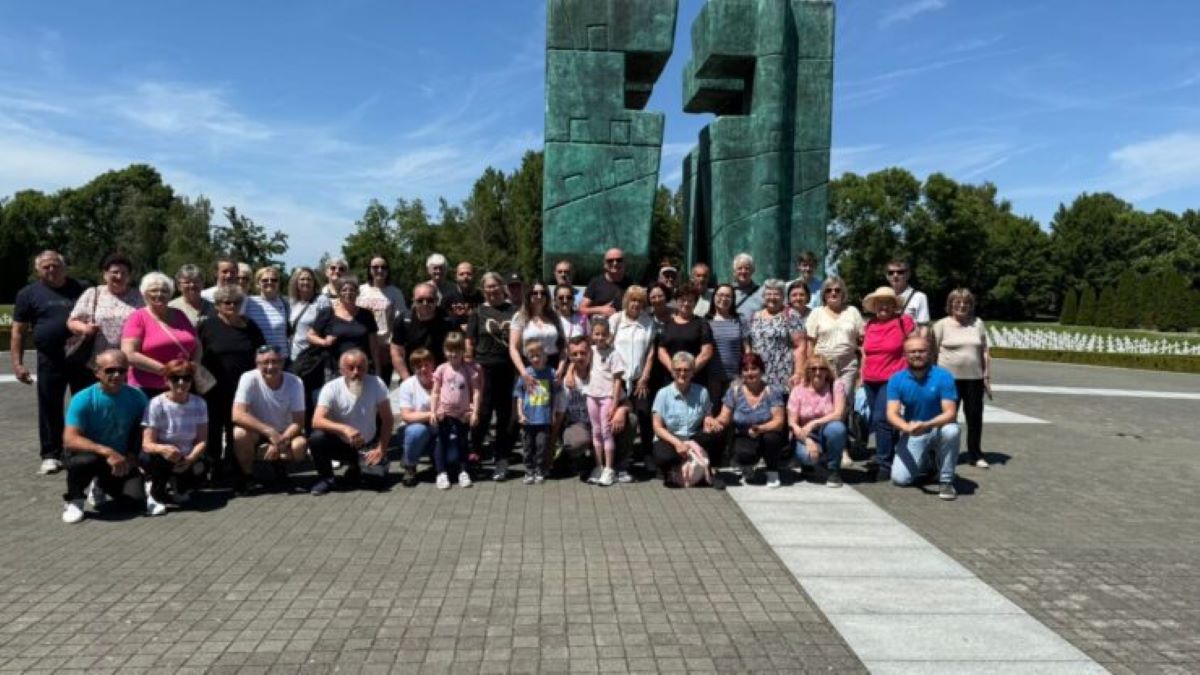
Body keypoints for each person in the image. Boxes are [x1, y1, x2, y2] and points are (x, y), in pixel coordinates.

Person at [11, 250, 91, 475]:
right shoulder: (28, 294)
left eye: (55, 265)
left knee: (84, 405)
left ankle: (82, 449)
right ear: (38, 270)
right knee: (49, 407)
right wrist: (18, 363)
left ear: (64, 266)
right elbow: (18, 332)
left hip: (83, 357)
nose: (51, 269)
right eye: (46, 266)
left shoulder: (83, 288)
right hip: (50, 359)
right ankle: (51, 454)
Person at [60, 350, 149, 523]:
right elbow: (70, 440)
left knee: (135, 502)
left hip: (121, 460)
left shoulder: (138, 397)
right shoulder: (83, 398)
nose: (117, 375)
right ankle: (75, 499)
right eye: (110, 370)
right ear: (97, 372)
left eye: (122, 370)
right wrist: (107, 452)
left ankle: (100, 485)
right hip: (92, 455)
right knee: (84, 462)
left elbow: (146, 430)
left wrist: (133, 455)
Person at [197, 284, 265, 483]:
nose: (232, 306)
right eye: (227, 302)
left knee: (235, 428)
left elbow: (261, 354)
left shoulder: (250, 326)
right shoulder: (206, 326)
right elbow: (196, 356)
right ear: (217, 305)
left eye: (236, 302)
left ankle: (234, 466)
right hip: (212, 388)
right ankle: (212, 467)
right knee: (213, 430)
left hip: (242, 390)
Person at [309, 350, 392, 495]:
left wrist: (381, 449)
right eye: (351, 367)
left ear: (367, 368)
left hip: (366, 444)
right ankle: (327, 479)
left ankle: (356, 468)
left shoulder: (377, 384)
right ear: (341, 370)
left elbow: (388, 420)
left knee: (377, 484)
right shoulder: (331, 388)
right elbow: (316, 421)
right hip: (340, 444)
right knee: (317, 438)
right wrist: (344, 429)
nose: (356, 372)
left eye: (360, 367)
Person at [887, 336, 961, 500]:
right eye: (912, 351)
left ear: (930, 353)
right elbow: (891, 412)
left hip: (939, 428)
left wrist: (926, 424)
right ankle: (931, 462)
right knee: (900, 479)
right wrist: (906, 428)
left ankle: (946, 480)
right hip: (914, 431)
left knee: (952, 431)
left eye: (921, 351)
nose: (917, 354)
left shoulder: (944, 376)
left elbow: (950, 413)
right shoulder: (896, 379)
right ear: (905, 355)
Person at [231, 345, 308, 494]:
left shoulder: (295, 382)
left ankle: (281, 468)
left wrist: (280, 440)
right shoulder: (248, 378)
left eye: (275, 361)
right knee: (239, 433)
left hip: (285, 432)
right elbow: (237, 414)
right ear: (257, 364)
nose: (270, 366)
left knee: (300, 446)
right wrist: (269, 432)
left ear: (282, 363)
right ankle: (248, 476)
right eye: (264, 362)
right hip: (258, 432)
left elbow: (299, 421)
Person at [861, 286, 917, 481]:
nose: (883, 306)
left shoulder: (904, 322)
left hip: (893, 378)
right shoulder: (870, 325)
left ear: (894, 305)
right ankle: (889, 455)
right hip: (870, 379)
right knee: (882, 421)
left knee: (881, 418)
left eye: (887, 303)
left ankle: (884, 464)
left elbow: (915, 347)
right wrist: (861, 376)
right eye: (879, 303)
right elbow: (865, 353)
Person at [555, 336, 632, 477]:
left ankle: (620, 466)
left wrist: (621, 410)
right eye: (575, 354)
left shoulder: (602, 376)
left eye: (583, 353)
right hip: (580, 424)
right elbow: (559, 413)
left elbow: (627, 402)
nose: (579, 357)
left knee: (630, 419)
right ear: (569, 357)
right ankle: (585, 461)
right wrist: (552, 441)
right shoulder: (567, 381)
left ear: (590, 353)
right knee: (576, 441)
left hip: (603, 423)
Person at [931, 288, 992, 469]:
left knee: (974, 417)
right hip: (948, 379)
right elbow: (932, 352)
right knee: (947, 418)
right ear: (950, 304)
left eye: (966, 302)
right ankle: (941, 453)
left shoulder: (977, 323)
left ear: (971, 306)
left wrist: (987, 376)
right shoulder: (941, 325)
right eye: (957, 302)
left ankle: (975, 454)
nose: (962, 305)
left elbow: (985, 351)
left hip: (974, 378)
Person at [140, 359, 208, 514]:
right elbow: (147, 444)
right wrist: (163, 449)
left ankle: (178, 485)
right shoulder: (156, 404)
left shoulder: (200, 403)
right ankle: (153, 495)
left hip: (186, 455)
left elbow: (202, 440)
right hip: (163, 456)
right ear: (166, 380)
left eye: (186, 378)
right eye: (175, 378)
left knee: (200, 470)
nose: (181, 382)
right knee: (152, 460)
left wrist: (190, 459)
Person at [466, 272, 518, 475]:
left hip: (507, 369)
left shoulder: (514, 311)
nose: (492, 290)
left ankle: (502, 456)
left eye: (495, 286)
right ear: (483, 289)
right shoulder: (477, 313)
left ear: (502, 287)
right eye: (488, 287)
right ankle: (476, 451)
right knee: (482, 413)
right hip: (483, 369)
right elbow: (469, 342)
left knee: (506, 416)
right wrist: (470, 365)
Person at [651, 351, 724, 489]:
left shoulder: (702, 392)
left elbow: (707, 416)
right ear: (672, 372)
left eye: (686, 370)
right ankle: (677, 471)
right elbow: (657, 427)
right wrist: (677, 443)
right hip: (671, 438)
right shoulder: (663, 394)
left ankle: (708, 471)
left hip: (693, 437)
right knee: (664, 456)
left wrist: (710, 421)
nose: (682, 374)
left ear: (692, 372)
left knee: (718, 432)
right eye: (678, 370)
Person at [713, 353, 787, 488]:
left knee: (772, 438)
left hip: (767, 434)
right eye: (745, 370)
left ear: (762, 370)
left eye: (754, 368)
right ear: (741, 373)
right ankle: (747, 464)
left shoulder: (772, 391)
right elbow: (725, 417)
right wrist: (715, 422)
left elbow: (779, 421)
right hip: (744, 436)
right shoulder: (734, 391)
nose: (750, 373)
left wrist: (760, 429)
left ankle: (772, 471)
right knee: (743, 454)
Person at [121, 272, 199, 399]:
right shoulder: (137, 317)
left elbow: (197, 344)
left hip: (182, 385)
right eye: (154, 290)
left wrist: (193, 367)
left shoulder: (179, 314)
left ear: (170, 294)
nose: (159, 294)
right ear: (144, 293)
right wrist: (168, 372)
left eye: (164, 290)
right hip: (147, 388)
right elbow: (129, 354)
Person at [608, 285, 657, 479]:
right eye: (632, 300)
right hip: (618, 380)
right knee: (619, 420)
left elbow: (650, 352)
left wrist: (645, 377)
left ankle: (646, 456)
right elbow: (607, 347)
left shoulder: (648, 322)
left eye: (639, 301)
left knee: (643, 417)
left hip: (639, 379)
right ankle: (617, 460)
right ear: (626, 302)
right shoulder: (616, 320)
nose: (635, 304)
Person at [66, 252, 144, 365]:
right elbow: (72, 321)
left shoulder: (140, 296)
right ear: (105, 274)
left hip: (130, 363)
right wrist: (85, 328)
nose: (119, 276)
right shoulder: (93, 293)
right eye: (115, 272)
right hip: (96, 361)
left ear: (129, 276)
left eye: (124, 273)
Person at [576, 321, 625, 486]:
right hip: (592, 395)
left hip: (607, 398)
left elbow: (618, 380)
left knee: (606, 432)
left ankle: (609, 469)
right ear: (592, 335)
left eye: (603, 334)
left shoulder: (614, 354)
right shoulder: (591, 351)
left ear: (609, 335)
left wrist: (614, 403)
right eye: (596, 334)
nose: (600, 337)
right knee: (596, 431)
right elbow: (576, 361)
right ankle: (599, 466)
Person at [431, 333, 483, 489]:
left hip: (462, 414)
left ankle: (463, 471)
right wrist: (433, 411)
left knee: (463, 442)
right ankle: (441, 473)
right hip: (445, 414)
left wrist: (475, 412)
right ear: (444, 350)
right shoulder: (441, 369)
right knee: (441, 442)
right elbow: (435, 392)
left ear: (463, 351)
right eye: (449, 350)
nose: (453, 354)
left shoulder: (468, 370)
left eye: (457, 350)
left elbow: (476, 391)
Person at [789, 355, 849, 487]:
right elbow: (792, 422)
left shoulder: (836, 385)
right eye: (813, 368)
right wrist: (807, 441)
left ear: (827, 371)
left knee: (837, 428)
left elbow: (838, 414)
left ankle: (833, 469)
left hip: (826, 430)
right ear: (807, 371)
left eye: (822, 368)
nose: (817, 372)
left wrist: (814, 423)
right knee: (808, 458)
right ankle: (810, 464)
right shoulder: (798, 390)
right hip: (805, 434)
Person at [287, 266, 331, 429]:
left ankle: (316, 435)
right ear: (296, 282)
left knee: (316, 399)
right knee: (300, 400)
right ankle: (302, 434)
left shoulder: (321, 301)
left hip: (315, 358)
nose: (305, 282)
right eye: (302, 279)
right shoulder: (292, 302)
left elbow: (328, 326)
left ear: (314, 282)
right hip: (296, 358)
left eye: (309, 279)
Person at [806, 276, 863, 400]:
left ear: (843, 293)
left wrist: (862, 369)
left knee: (845, 400)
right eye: (829, 290)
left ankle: (842, 419)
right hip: (823, 365)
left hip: (847, 364)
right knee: (825, 401)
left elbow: (862, 342)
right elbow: (810, 344)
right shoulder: (816, 313)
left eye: (837, 290)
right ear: (823, 294)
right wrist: (810, 366)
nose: (833, 293)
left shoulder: (852, 311)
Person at [747, 279, 807, 392]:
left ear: (783, 297)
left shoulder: (791, 315)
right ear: (763, 296)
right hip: (758, 376)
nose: (772, 298)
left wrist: (798, 373)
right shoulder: (755, 316)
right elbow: (749, 345)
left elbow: (800, 347)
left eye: (776, 294)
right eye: (768, 294)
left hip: (783, 376)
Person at [656, 286, 715, 402]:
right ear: (677, 302)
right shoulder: (667, 324)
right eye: (683, 300)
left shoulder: (702, 324)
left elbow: (706, 353)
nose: (686, 303)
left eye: (690, 300)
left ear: (695, 303)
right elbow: (661, 351)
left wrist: (688, 373)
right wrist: (674, 371)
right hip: (671, 379)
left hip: (695, 380)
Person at [308, 278, 379, 374]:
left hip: (361, 368)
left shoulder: (366, 315)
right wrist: (324, 342)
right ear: (338, 293)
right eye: (344, 290)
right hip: (335, 369)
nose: (348, 293)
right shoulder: (327, 312)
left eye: (352, 290)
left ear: (357, 292)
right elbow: (310, 335)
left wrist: (378, 370)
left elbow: (374, 347)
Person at [513, 340, 558, 485]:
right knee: (527, 446)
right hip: (528, 418)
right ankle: (529, 470)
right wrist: (520, 413)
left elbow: (555, 395)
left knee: (541, 446)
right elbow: (519, 395)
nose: (536, 359)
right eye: (532, 357)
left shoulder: (551, 373)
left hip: (543, 419)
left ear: (545, 356)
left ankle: (540, 469)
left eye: (539, 356)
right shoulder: (526, 373)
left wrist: (553, 413)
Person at [359, 255, 407, 387]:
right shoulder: (360, 290)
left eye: (383, 267)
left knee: (381, 388)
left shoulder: (395, 293)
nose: (379, 270)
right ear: (369, 270)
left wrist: (392, 347)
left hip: (384, 349)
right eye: (375, 267)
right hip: (363, 347)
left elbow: (400, 322)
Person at [390, 282, 452, 379]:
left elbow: (458, 349)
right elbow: (396, 352)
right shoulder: (403, 320)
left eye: (430, 300)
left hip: (443, 377)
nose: (425, 303)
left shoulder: (448, 320)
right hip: (412, 376)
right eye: (420, 300)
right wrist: (407, 379)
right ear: (413, 300)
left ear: (437, 300)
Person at [396, 348, 438, 487]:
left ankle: (437, 460)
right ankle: (409, 466)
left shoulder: (443, 379)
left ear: (433, 364)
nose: (423, 369)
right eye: (419, 366)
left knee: (452, 459)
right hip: (412, 429)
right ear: (413, 368)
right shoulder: (407, 385)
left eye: (427, 364)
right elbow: (406, 416)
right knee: (418, 431)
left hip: (437, 428)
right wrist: (431, 414)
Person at [706, 283, 749, 414]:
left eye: (728, 296)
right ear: (714, 297)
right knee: (712, 412)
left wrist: (747, 371)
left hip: (735, 377)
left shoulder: (740, 320)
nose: (724, 299)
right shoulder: (706, 321)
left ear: (733, 299)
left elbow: (747, 348)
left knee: (732, 413)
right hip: (711, 377)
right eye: (720, 295)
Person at [509, 280, 566, 379]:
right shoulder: (520, 317)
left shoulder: (555, 317)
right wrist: (523, 372)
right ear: (528, 295)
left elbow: (564, 346)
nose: (539, 296)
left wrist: (561, 368)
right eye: (535, 293)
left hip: (553, 367)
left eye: (543, 293)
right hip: (529, 367)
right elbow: (513, 348)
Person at [243, 266, 290, 359]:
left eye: (274, 280)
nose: (270, 282)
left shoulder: (286, 303)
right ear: (257, 283)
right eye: (265, 280)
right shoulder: (248, 302)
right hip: (258, 360)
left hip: (281, 359)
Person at [579, 248, 631, 323]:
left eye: (619, 260)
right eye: (610, 260)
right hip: (600, 330)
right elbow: (582, 309)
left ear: (624, 263)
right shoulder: (595, 283)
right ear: (605, 265)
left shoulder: (631, 284)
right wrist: (601, 309)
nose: (615, 263)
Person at [886, 259, 930, 336]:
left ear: (908, 275)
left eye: (900, 272)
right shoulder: (882, 297)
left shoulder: (919, 297)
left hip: (909, 344)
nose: (895, 275)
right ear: (887, 276)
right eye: (891, 272)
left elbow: (923, 327)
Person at [731, 253, 763, 322]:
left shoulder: (761, 292)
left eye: (747, 268)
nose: (743, 271)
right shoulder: (727, 292)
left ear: (753, 271)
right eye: (739, 268)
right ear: (734, 271)